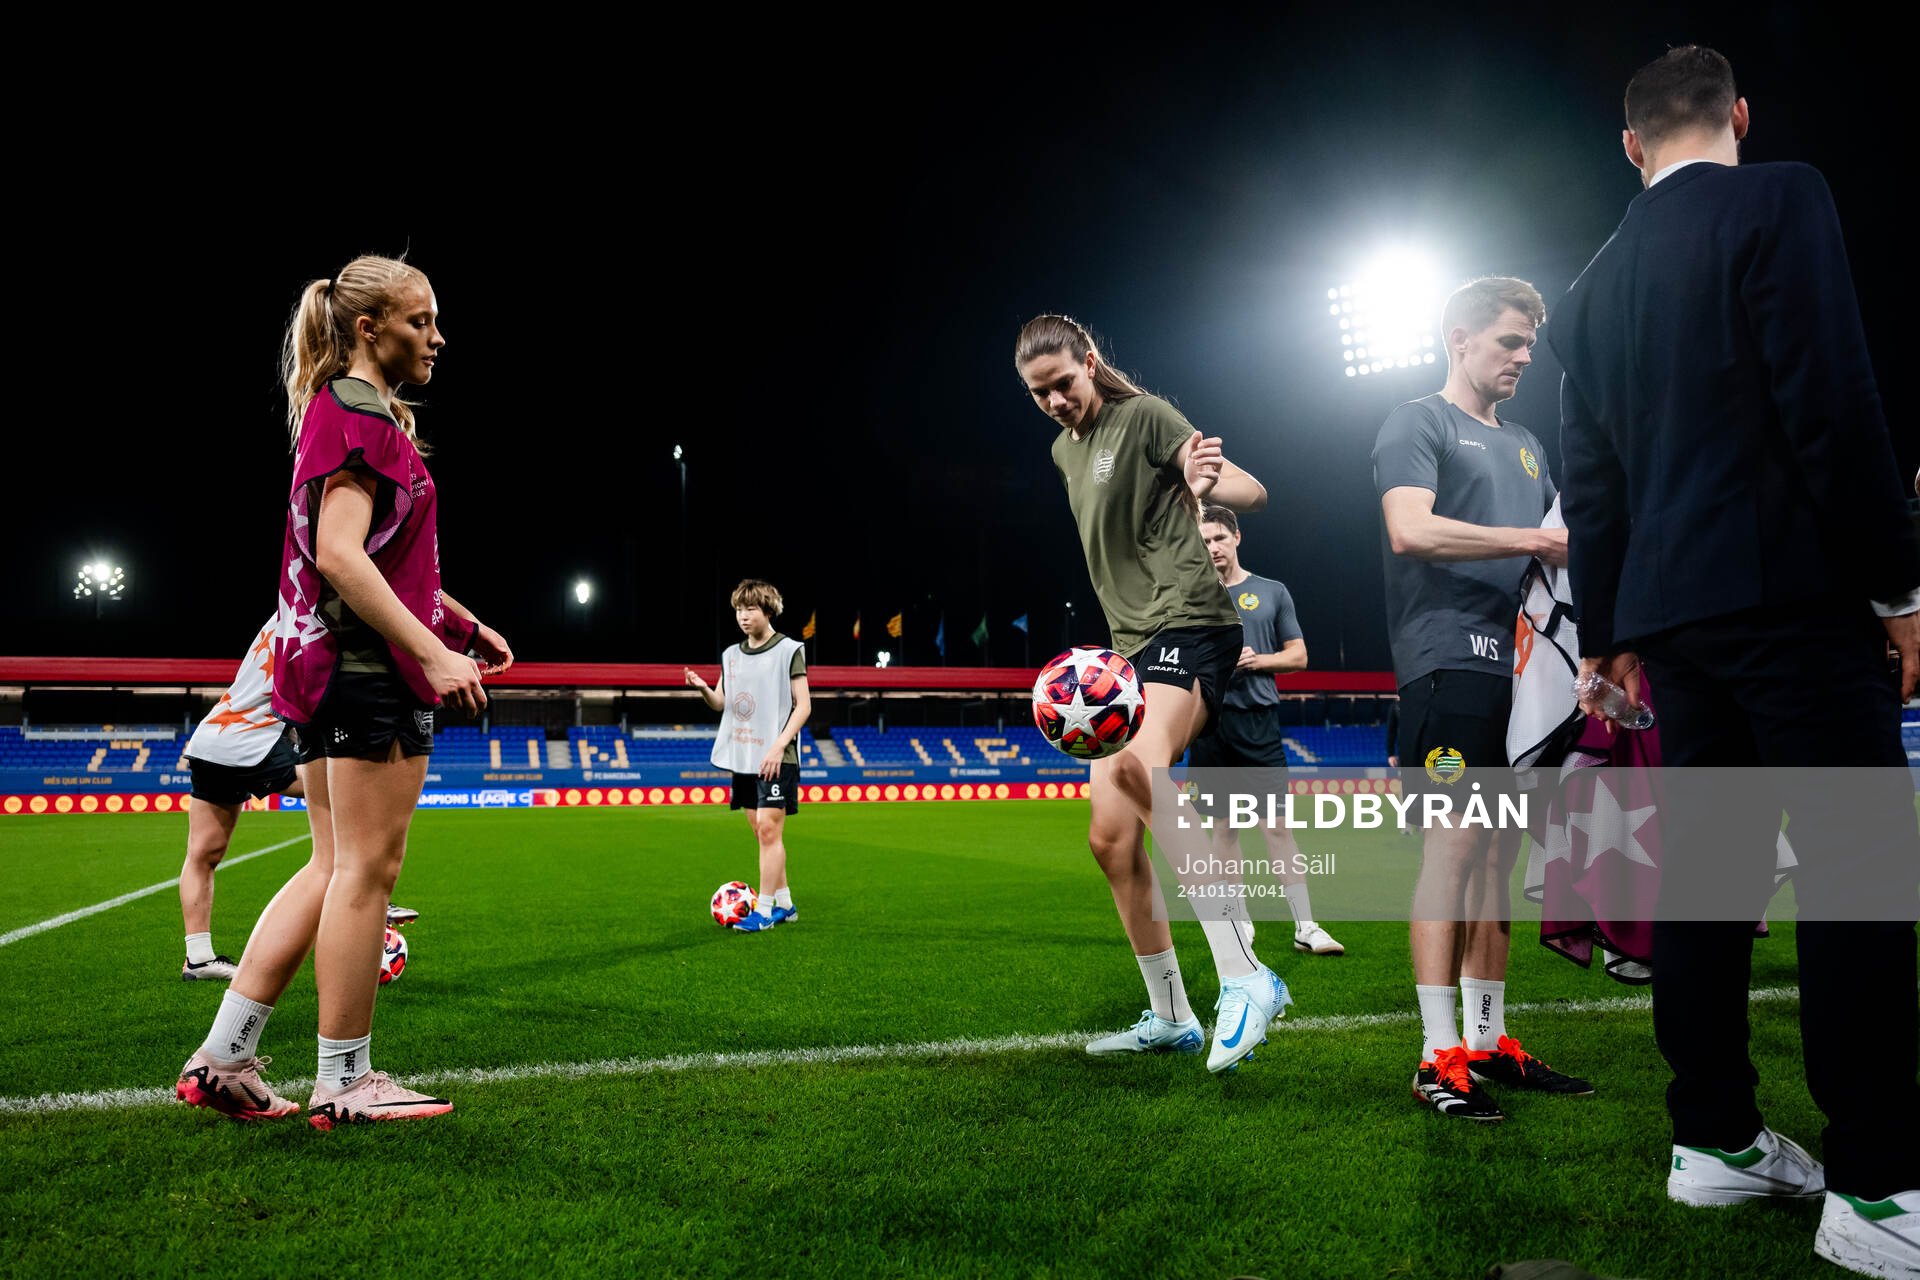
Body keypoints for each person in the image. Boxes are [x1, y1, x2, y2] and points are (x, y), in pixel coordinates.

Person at [1550, 46, 1920, 1273]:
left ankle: (1712, 1137)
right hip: (1796, 596)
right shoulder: (1783, 193)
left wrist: (1611, 637)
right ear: (1741, 117)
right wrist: (1902, 584)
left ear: (1630, 144)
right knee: (1860, 882)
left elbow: (1591, 483)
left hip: (1675, 622)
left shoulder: (1591, 287)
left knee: (1708, 885)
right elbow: (1830, 394)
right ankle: (1872, 1182)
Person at [173, 255, 512, 1129]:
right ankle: (347, 1079)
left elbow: (384, 559)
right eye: (419, 321)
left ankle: (225, 1056)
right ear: (369, 328)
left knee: (329, 866)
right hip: (368, 675)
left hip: (330, 668)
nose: (437, 337)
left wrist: (459, 623)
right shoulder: (361, 420)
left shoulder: (343, 413)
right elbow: (341, 555)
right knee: (368, 869)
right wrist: (434, 653)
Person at [1017, 313, 1288, 1076]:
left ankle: (1246, 975)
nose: (1056, 402)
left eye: (1063, 384)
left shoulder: (1145, 417)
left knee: (1141, 767)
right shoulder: (1061, 453)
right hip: (1129, 650)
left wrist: (1203, 485)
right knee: (1109, 838)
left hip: (1193, 622)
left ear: (1091, 362)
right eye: (1040, 394)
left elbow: (1252, 490)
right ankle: (1171, 1015)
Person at [1373, 276, 1592, 1123]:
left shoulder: (1533, 445)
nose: (1525, 355)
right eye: (1509, 340)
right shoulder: (1417, 421)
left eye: (1531, 342)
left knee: (1500, 860)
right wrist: (1536, 534)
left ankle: (1490, 1040)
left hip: (1523, 674)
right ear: (1458, 338)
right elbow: (1410, 528)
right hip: (1447, 663)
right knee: (1456, 850)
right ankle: (1436, 1057)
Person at [178, 615, 418, 981]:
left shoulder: (287, 614)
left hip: (214, 736)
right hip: (253, 738)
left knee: (203, 853)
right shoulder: (325, 619)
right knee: (346, 790)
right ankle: (363, 888)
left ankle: (198, 959)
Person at [1192, 503, 1343, 955]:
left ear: (1236, 537)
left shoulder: (1271, 591)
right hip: (1210, 726)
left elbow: (1298, 656)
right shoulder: (1189, 594)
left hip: (1259, 723)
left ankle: (1306, 925)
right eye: (1203, 542)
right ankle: (1239, 923)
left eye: (1219, 538)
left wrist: (1258, 660)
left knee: (1276, 827)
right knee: (1224, 829)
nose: (1213, 547)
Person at [685, 579, 812, 932]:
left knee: (770, 830)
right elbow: (722, 703)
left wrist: (778, 745)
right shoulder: (731, 655)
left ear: (768, 609)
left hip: (777, 756)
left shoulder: (789, 650)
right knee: (760, 830)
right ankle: (785, 904)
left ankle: (766, 910)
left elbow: (803, 707)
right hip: (745, 756)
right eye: (739, 609)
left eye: (751, 609)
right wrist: (703, 690)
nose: (743, 616)